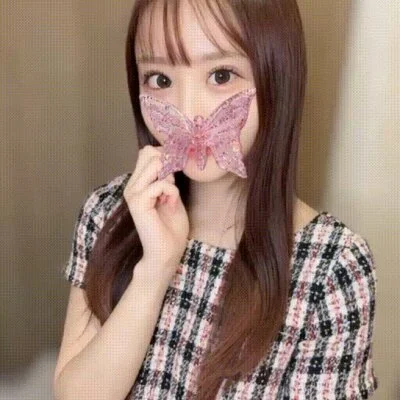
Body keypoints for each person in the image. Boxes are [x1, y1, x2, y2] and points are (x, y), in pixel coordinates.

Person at [53, 0, 379, 399]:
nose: (189, 111)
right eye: (160, 79)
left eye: (221, 75)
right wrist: (155, 268)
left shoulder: (332, 268)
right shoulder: (109, 213)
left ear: (278, 75)